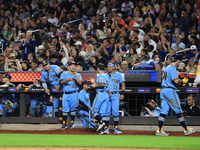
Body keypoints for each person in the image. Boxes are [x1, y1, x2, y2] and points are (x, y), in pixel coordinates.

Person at [156, 54, 196, 136]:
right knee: (178, 110)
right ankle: (186, 129)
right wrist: (182, 81)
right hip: (170, 90)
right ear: (177, 61)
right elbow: (176, 81)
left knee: (164, 111)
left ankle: (159, 130)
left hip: (163, 90)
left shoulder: (167, 68)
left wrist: (181, 80)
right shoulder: (172, 68)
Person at [103, 62, 125, 134]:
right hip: (106, 95)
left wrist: (122, 93)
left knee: (115, 111)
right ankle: (106, 128)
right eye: (107, 67)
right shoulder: (104, 75)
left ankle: (116, 128)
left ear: (113, 67)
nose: (108, 68)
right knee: (107, 112)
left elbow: (123, 84)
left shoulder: (118, 74)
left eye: (110, 67)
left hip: (115, 94)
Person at [60, 61, 82, 130]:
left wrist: (76, 78)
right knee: (65, 109)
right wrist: (67, 80)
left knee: (73, 109)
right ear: (69, 67)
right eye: (71, 65)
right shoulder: (64, 73)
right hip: (66, 93)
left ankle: (72, 123)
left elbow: (80, 83)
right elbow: (61, 82)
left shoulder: (78, 75)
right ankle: (64, 123)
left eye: (74, 65)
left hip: (74, 93)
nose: (73, 67)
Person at [89, 63, 109, 133]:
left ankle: (101, 123)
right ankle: (105, 129)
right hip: (106, 95)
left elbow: (102, 84)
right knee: (103, 113)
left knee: (93, 110)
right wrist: (95, 83)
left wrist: (95, 85)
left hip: (101, 94)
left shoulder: (101, 75)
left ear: (98, 68)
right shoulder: (106, 75)